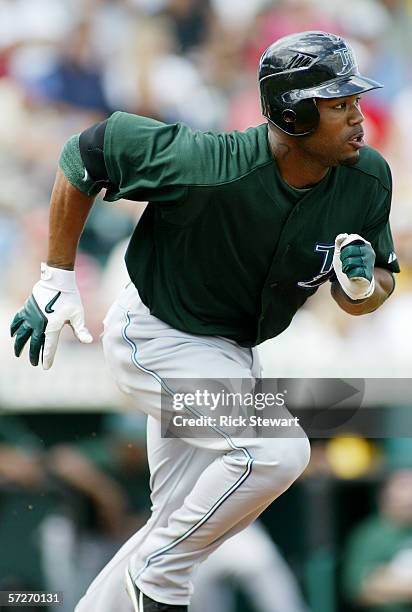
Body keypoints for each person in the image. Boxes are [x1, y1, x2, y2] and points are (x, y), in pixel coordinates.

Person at [11, 31, 399, 612]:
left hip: (234, 352)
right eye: (338, 104)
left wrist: (364, 286)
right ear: (292, 115)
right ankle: (157, 580)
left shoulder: (366, 177)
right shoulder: (208, 163)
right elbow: (88, 151)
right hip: (158, 335)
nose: (357, 116)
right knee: (277, 452)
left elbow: (371, 294)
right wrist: (56, 276)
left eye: (353, 102)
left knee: (177, 520)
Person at [342, 470, 412, 611]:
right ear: (385, 495)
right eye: (403, 486)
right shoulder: (369, 535)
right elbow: (359, 590)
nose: (408, 496)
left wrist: (387, 578)